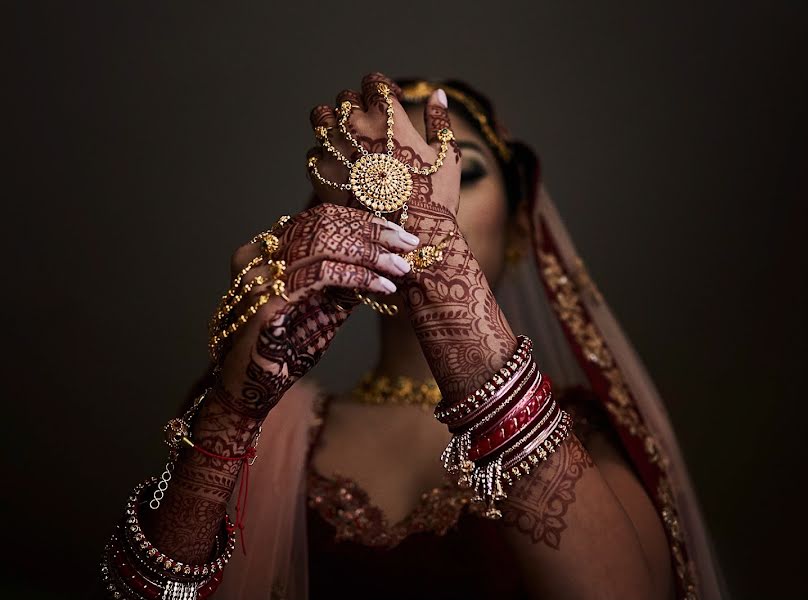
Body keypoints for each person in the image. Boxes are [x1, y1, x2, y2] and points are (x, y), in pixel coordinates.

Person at [98, 73, 727, 600]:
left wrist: (436, 249)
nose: (404, 190)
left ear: (514, 231)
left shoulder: (584, 432)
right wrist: (233, 413)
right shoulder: (263, 422)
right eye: (377, 173)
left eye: (461, 169)